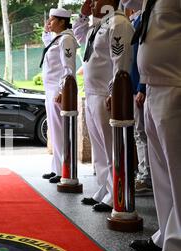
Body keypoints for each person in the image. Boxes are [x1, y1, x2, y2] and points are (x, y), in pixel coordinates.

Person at [130, 0, 181, 251]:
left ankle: (179, 243)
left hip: (175, 85)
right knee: (161, 173)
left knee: (177, 170)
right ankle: (166, 235)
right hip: (152, 87)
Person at [73, 0, 134, 212]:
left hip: (104, 94)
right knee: (99, 149)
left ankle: (114, 193)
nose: (90, 3)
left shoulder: (118, 23)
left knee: (111, 148)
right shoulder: (98, 25)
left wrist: (114, 91)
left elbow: (121, 60)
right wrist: (82, 15)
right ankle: (104, 187)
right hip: (91, 93)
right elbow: (78, 36)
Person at [40, 8, 79, 183]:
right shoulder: (57, 39)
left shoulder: (67, 39)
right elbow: (47, 43)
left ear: (62, 21)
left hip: (58, 90)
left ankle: (64, 169)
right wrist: (46, 30)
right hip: (50, 90)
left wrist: (63, 90)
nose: (49, 23)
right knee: (55, 132)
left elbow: (68, 67)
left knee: (61, 131)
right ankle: (57, 168)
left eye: (52, 20)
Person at [122, 0, 153, 196]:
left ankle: (146, 176)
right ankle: (144, 173)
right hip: (134, 86)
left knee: (142, 134)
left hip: (141, 87)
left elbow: (145, 55)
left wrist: (141, 87)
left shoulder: (144, 17)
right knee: (138, 133)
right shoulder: (137, 19)